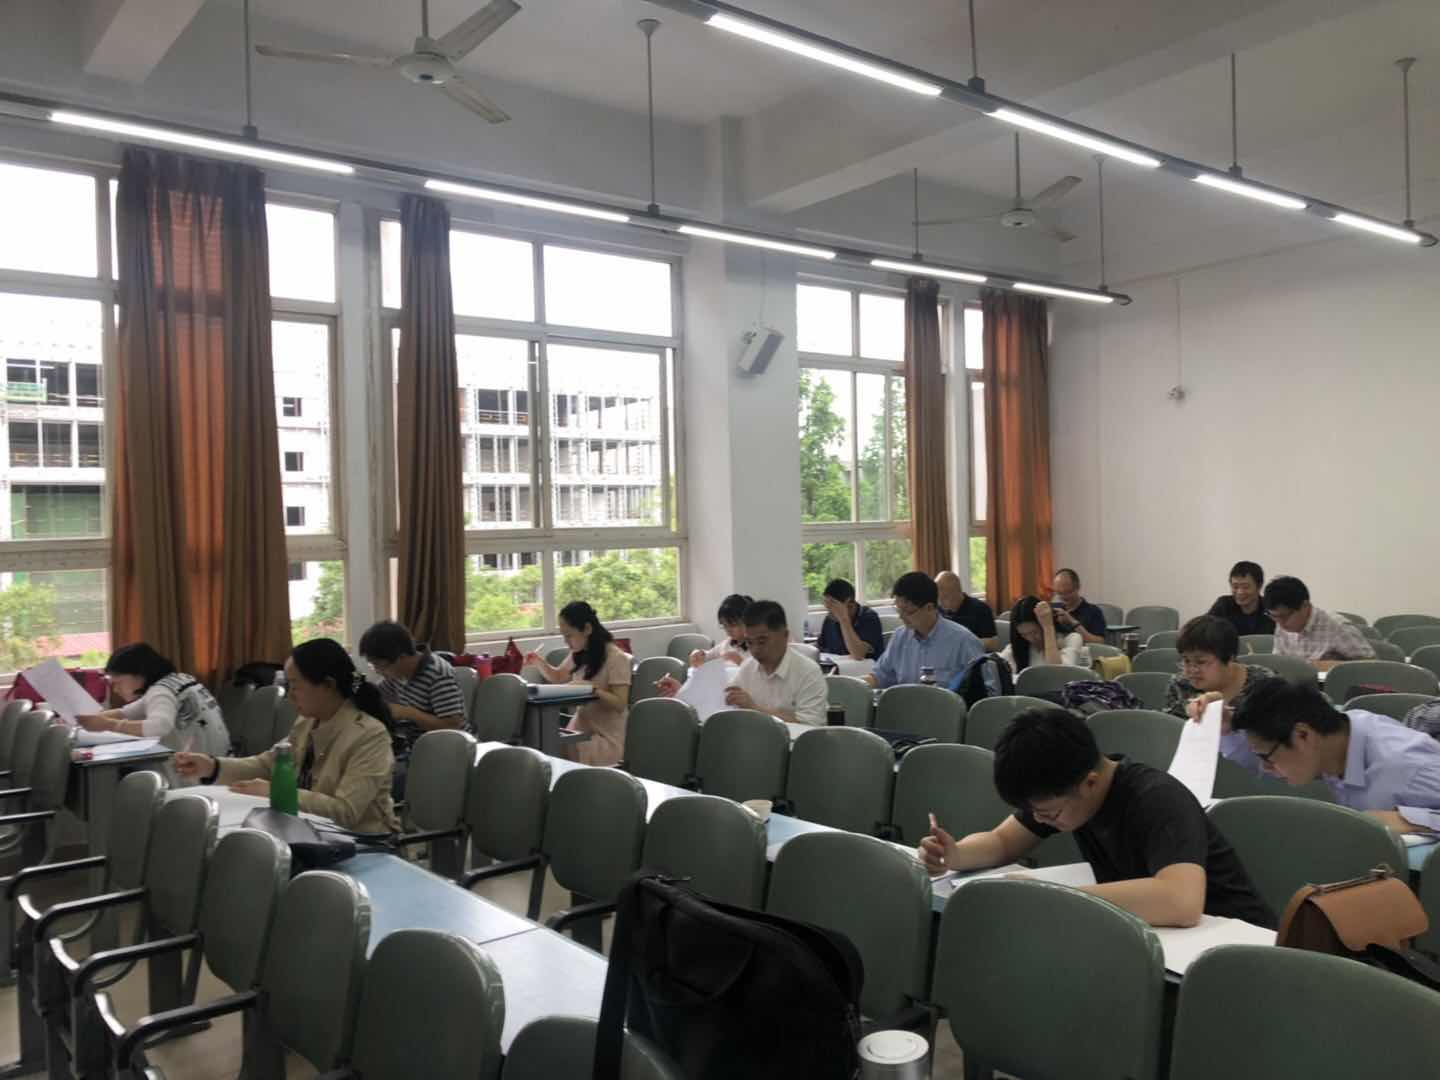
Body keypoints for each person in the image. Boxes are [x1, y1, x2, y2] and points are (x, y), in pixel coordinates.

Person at [918, 708, 1275, 928]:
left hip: (1232, 939)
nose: (1043, 820)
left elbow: (1181, 901)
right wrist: (956, 854)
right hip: (1160, 937)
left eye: (1050, 814)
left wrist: (1058, 896)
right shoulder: (1064, 786)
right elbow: (1002, 842)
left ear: (1089, 783)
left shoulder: (1158, 798)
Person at [174, 638, 399, 834]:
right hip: (310, 831)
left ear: (328, 685)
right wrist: (212, 767)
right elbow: (268, 764)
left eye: (295, 686)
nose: (290, 696)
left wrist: (276, 793)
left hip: (362, 842)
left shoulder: (370, 736)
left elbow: (345, 812)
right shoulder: (307, 722)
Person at [1216, 678, 1440, 830]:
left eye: (1266, 758)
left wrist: (1412, 820)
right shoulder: (1334, 737)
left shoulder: (1408, 766)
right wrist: (1226, 731)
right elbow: (1270, 752)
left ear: (1303, 734)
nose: (1265, 768)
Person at [76, 643, 230, 784]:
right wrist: (84, 719)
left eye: (118, 682)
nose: (115, 690)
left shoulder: (160, 691)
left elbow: (159, 726)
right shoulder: (179, 680)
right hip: (218, 762)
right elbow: (126, 712)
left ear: (139, 674)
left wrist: (109, 725)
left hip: (200, 772)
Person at [659, 600, 827, 726]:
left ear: (785, 635)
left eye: (762, 641)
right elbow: (721, 701)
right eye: (749, 642)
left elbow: (809, 726)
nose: (755, 650)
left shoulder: (808, 672)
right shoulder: (749, 667)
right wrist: (683, 693)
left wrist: (755, 708)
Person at [358, 620, 468, 800]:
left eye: (380, 665)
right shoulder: (398, 673)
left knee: (375, 789)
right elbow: (375, 696)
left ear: (401, 657)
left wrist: (409, 713)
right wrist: (355, 687)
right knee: (366, 775)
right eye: (373, 665)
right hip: (417, 750)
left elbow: (452, 726)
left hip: (448, 754)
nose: (378, 671)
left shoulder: (438, 675)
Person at [525, 601, 631, 765]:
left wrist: (593, 690)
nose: (566, 642)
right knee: (542, 745)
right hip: (580, 730)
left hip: (605, 738)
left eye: (569, 636)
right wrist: (538, 662)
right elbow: (558, 677)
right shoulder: (580, 652)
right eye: (563, 636)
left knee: (553, 751)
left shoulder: (617, 658)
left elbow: (620, 704)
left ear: (587, 629)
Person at [869, 572, 986, 689]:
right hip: (906, 700)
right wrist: (859, 685)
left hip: (946, 701)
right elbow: (879, 677)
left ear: (929, 608)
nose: (901, 616)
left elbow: (987, 691)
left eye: (907, 611)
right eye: (898, 610)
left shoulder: (964, 641)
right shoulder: (899, 637)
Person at [1163, 616, 1272, 720]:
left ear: (1229, 658)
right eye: (1186, 660)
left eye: (1201, 662)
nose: (1192, 670)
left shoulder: (1263, 683)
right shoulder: (1180, 685)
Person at [1263, 575, 1374, 669]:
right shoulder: (1281, 622)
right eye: (1274, 616)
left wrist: (1332, 666)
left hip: (1329, 684)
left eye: (1285, 616)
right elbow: (1278, 664)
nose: (1281, 623)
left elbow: (1371, 666)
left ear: (1305, 606)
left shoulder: (1337, 626)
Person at [999, 596, 1087, 674]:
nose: (1030, 638)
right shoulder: (1019, 645)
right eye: (1023, 634)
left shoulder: (1072, 639)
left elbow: (1057, 673)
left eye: (1035, 632)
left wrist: (1048, 627)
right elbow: (997, 665)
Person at [817, 579, 885, 662]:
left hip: (864, 668)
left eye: (833, 605)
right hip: (837, 666)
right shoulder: (830, 619)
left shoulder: (869, 618)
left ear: (850, 604)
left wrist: (843, 619)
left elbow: (858, 655)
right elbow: (820, 648)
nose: (829, 612)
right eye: (827, 604)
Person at [1208, 561, 1275, 637]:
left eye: (1245, 587)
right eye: (1235, 587)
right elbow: (1204, 630)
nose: (1240, 592)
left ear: (1259, 586)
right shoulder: (1223, 606)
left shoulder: (1270, 608)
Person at [936, 570, 998, 650]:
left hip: (973, 654)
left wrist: (962, 643)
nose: (940, 602)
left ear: (957, 592)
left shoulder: (980, 609)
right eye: (938, 598)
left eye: (944, 597)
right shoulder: (938, 610)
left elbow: (993, 643)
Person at [690, 593, 752, 667]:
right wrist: (699, 654)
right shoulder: (727, 643)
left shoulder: (757, 648)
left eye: (733, 625)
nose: (728, 630)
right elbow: (709, 655)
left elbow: (760, 672)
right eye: (725, 625)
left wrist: (741, 662)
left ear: (746, 622)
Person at [1051, 568, 1108, 644]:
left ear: (1078, 587)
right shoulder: (1053, 609)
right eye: (1059, 593)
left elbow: (1100, 642)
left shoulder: (1093, 611)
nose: (1063, 597)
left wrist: (1072, 622)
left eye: (1068, 592)